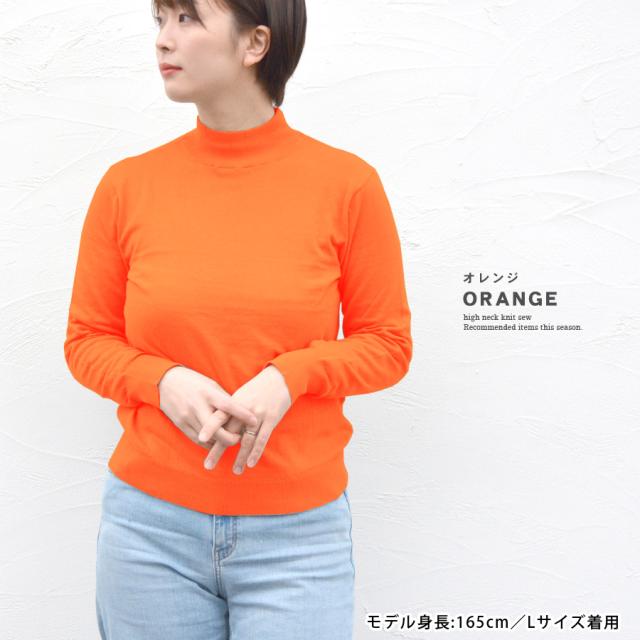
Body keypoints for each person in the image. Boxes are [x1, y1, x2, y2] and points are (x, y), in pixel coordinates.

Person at [63, 0, 412, 638]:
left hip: (298, 538)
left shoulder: (347, 185)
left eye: (187, 19)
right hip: (149, 532)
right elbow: (87, 342)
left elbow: (387, 345)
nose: (163, 40)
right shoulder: (127, 186)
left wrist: (291, 376)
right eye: (159, 20)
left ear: (255, 44)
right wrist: (161, 381)